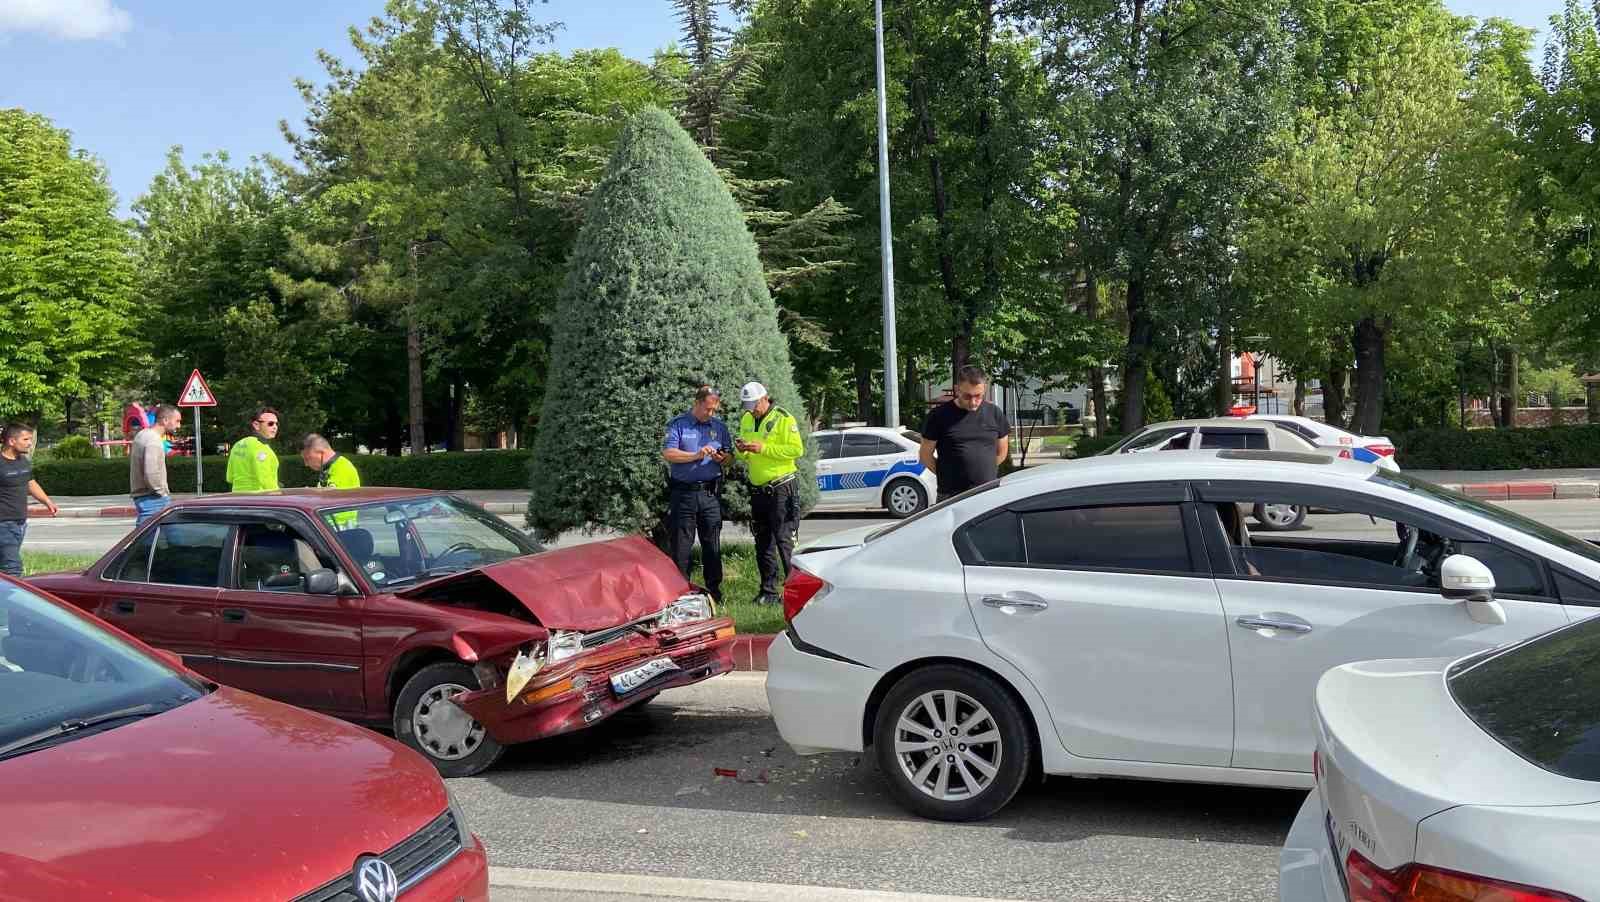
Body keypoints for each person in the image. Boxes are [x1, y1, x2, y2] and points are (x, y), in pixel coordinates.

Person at [734, 382, 804, 605]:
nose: (750, 409)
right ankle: (768, 591)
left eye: (753, 405)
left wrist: (762, 448)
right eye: (747, 406)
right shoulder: (747, 418)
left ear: (764, 399)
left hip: (781, 487)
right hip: (759, 490)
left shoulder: (784, 418)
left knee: (784, 540)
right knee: (762, 541)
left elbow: (796, 450)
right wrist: (742, 450)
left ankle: (797, 593)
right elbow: (747, 456)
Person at [661, 386, 733, 601]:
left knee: (712, 543)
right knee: (682, 545)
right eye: (708, 409)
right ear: (698, 403)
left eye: (714, 410)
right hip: (684, 494)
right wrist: (695, 455)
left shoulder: (719, 427)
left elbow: (730, 457)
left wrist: (723, 459)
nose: (710, 413)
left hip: (710, 493)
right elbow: (669, 453)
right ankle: (681, 593)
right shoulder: (679, 425)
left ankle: (714, 592)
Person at [919, 365, 1010, 502]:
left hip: (987, 493)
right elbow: (925, 455)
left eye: (978, 396)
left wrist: (983, 473)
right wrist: (947, 475)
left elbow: (1002, 453)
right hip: (951, 496)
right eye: (967, 396)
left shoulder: (994, 413)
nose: (973, 402)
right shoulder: (938, 416)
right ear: (957, 389)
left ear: (984, 389)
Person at [0, 424, 56, 578]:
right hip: (3, 523)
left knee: (4, 566)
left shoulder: (23, 461)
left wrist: (47, 501)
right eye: (25, 439)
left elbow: (30, 483)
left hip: (20, 522)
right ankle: (10, 601)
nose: (29, 443)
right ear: (12, 441)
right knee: (13, 568)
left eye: (30, 439)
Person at [130, 404, 182, 525]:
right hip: (153, 498)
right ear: (165, 420)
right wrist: (161, 493)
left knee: (149, 537)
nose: (179, 426)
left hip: (144, 497)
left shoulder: (142, 435)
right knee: (149, 540)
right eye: (177, 421)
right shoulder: (153, 440)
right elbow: (151, 472)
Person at [226, 407, 281, 493]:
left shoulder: (237, 445)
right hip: (258, 499)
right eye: (270, 424)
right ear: (256, 425)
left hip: (236, 498)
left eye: (276, 424)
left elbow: (229, 477)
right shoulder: (261, 448)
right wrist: (278, 495)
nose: (275, 427)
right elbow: (265, 479)